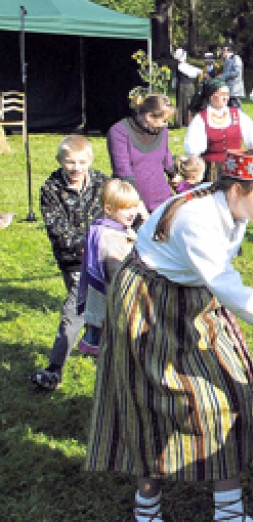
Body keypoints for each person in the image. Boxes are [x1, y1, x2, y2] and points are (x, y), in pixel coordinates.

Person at [85, 150, 253, 522]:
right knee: (150, 405)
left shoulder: (233, 206)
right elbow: (232, 292)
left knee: (230, 396)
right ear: (237, 189)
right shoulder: (197, 220)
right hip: (148, 302)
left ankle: (228, 513)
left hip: (193, 295)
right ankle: (147, 509)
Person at [29, 135, 108, 391]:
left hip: (104, 256)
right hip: (74, 261)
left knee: (86, 310)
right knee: (78, 311)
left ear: (90, 160)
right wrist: (83, 246)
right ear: (60, 161)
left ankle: (63, 365)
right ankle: (57, 368)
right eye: (70, 162)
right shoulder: (51, 189)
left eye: (82, 162)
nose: (76, 168)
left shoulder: (101, 182)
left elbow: (115, 208)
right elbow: (57, 229)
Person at [75, 179, 142, 356]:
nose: (132, 213)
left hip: (113, 307)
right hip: (110, 309)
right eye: (125, 208)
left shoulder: (116, 229)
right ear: (108, 209)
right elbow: (116, 274)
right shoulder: (109, 237)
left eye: (134, 207)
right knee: (114, 356)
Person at [184, 78, 253, 181]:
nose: (226, 97)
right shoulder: (201, 119)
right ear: (211, 97)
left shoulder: (236, 115)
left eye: (227, 94)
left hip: (235, 168)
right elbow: (194, 147)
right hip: (211, 170)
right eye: (222, 94)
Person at [106, 94, 175, 213]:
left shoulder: (162, 131)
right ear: (149, 116)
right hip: (131, 205)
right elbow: (123, 172)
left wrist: (175, 176)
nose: (166, 124)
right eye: (164, 120)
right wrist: (137, 203)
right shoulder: (119, 132)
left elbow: (166, 158)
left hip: (162, 200)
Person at [172, 48, 200, 127]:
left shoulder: (183, 65)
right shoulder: (181, 66)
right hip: (184, 86)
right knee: (184, 103)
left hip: (186, 85)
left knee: (187, 102)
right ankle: (184, 121)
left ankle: (185, 121)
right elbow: (192, 74)